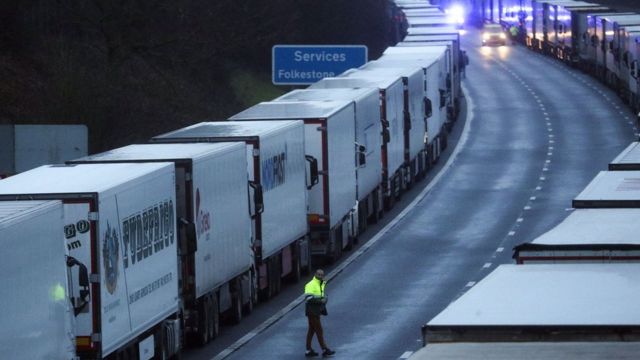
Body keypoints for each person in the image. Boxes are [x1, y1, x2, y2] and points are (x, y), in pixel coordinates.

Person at [304, 269, 335, 357]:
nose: (320, 276)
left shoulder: (320, 283)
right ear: (315, 274)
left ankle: (308, 350)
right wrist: (321, 301)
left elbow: (321, 295)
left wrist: (325, 298)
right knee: (319, 330)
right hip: (312, 312)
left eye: (322, 275)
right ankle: (325, 349)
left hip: (316, 311)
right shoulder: (311, 284)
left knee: (312, 330)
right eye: (319, 274)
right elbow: (308, 298)